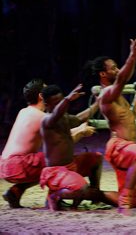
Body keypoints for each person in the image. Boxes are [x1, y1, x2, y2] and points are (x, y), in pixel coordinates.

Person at [0, 79, 95, 208]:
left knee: (44, 161)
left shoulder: (24, 111)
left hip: (6, 165)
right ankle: (55, 195)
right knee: (55, 162)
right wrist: (81, 131)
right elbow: (61, 142)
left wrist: (79, 129)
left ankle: (15, 191)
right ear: (41, 96)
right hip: (19, 165)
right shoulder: (41, 117)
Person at [92, 36, 136, 214]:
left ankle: (93, 195)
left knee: (135, 202)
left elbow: (130, 116)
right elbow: (122, 79)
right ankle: (124, 199)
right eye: (113, 68)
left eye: (117, 67)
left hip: (128, 149)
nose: (117, 70)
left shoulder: (117, 96)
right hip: (119, 148)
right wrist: (133, 56)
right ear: (103, 74)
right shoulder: (106, 94)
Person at [39, 84, 116, 211]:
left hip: (71, 166)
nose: (61, 105)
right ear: (46, 104)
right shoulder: (47, 121)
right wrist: (68, 99)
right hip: (56, 172)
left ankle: (95, 198)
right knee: (82, 189)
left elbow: (79, 118)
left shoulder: (64, 117)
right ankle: (54, 195)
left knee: (95, 158)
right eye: (56, 103)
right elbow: (57, 113)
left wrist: (98, 102)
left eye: (61, 100)